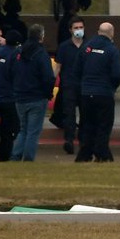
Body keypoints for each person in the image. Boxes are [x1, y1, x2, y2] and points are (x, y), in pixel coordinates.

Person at [73, 22, 120, 163]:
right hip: (104, 93)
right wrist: (112, 88)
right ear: (112, 33)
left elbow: (76, 70)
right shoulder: (112, 50)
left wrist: (83, 86)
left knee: (87, 125)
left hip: (86, 93)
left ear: (98, 31)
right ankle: (101, 153)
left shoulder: (86, 47)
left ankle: (85, 154)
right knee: (104, 125)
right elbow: (116, 74)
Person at [10, 24, 55, 162]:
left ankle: (15, 156)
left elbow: (10, 71)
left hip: (20, 97)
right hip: (37, 97)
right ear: (41, 36)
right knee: (33, 131)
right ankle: (28, 159)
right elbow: (48, 77)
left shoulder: (18, 52)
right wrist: (48, 93)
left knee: (23, 129)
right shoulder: (41, 54)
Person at [52, 17, 85, 154]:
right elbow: (58, 67)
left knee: (85, 114)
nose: (79, 30)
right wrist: (51, 83)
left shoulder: (88, 46)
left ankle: (84, 141)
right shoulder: (64, 47)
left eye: (81, 27)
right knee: (69, 114)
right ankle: (69, 140)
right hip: (69, 85)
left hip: (84, 85)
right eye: (76, 28)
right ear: (70, 30)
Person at [0, 28, 22, 162]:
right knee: (15, 130)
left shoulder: (0, 52)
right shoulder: (14, 55)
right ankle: (11, 157)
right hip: (10, 97)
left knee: (3, 131)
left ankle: (2, 158)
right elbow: (17, 75)